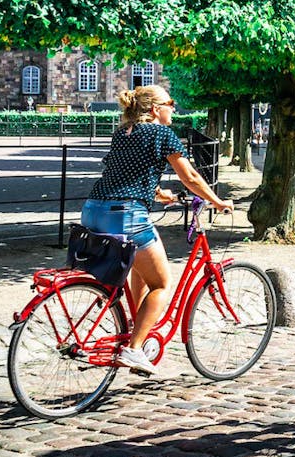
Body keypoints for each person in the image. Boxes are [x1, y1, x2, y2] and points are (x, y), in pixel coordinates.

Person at [81, 85, 234, 376]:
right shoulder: (162, 134)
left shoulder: (122, 133)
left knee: (141, 269)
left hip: (93, 210)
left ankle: (135, 334)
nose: (173, 108)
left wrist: (158, 192)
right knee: (162, 283)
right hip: (125, 215)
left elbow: (123, 173)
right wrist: (217, 201)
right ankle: (135, 349)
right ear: (155, 109)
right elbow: (189, 175)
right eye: (170, 103)